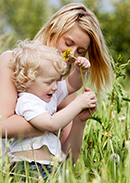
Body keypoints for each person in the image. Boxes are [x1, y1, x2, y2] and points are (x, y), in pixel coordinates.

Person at [0, 2, 112, 165]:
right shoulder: (11, 63)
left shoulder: (64, 90)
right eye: (68, 43)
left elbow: (66, 160)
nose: (71, 55)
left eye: (80, 51)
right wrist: (55, 122)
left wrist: (79, 120)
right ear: (52, 34)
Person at [7, 39, 96, 180]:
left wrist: (80, 71)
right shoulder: (27, 101)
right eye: (49, 82)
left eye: (57, 80)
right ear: (26, 81)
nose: (55, 87)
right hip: (28, 167)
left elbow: (72, 85)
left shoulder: (49, 94)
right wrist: (78, 104)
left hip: (51, 167)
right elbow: (51, 124)